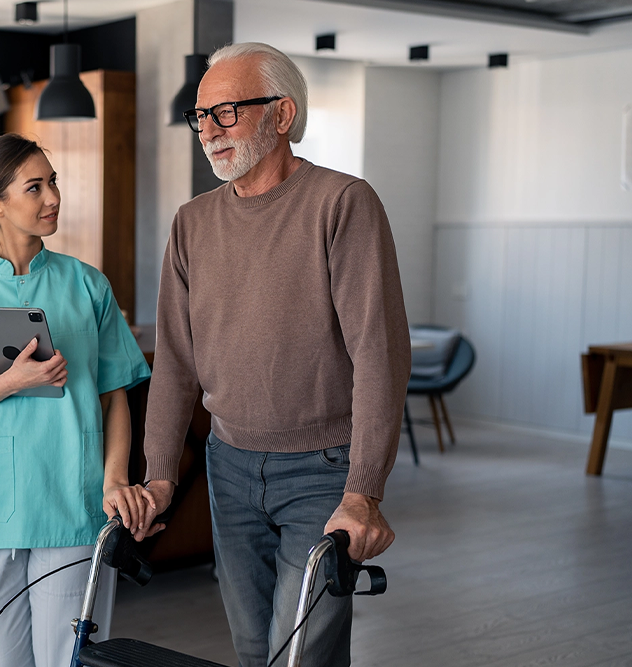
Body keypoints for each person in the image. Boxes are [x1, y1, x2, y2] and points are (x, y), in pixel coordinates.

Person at [137, 43, 412, 667]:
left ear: (282, 114)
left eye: (226, 112)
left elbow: (380, 354)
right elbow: (176, 362)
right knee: (252, 646)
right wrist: (159, 472)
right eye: (200, 116)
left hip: (323, 469)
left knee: (302, 652)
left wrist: (364, 490)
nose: (207, 131)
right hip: (228, 465)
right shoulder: (191, 223)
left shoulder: (343, 202)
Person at [0, 133, 153, 667]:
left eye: (52, 182)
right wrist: (12, 381)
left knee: (70, 661)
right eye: (35, 187)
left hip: (73, 502)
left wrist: (115, 479)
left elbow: (115, 395)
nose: (52, 197)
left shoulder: (88, 285)